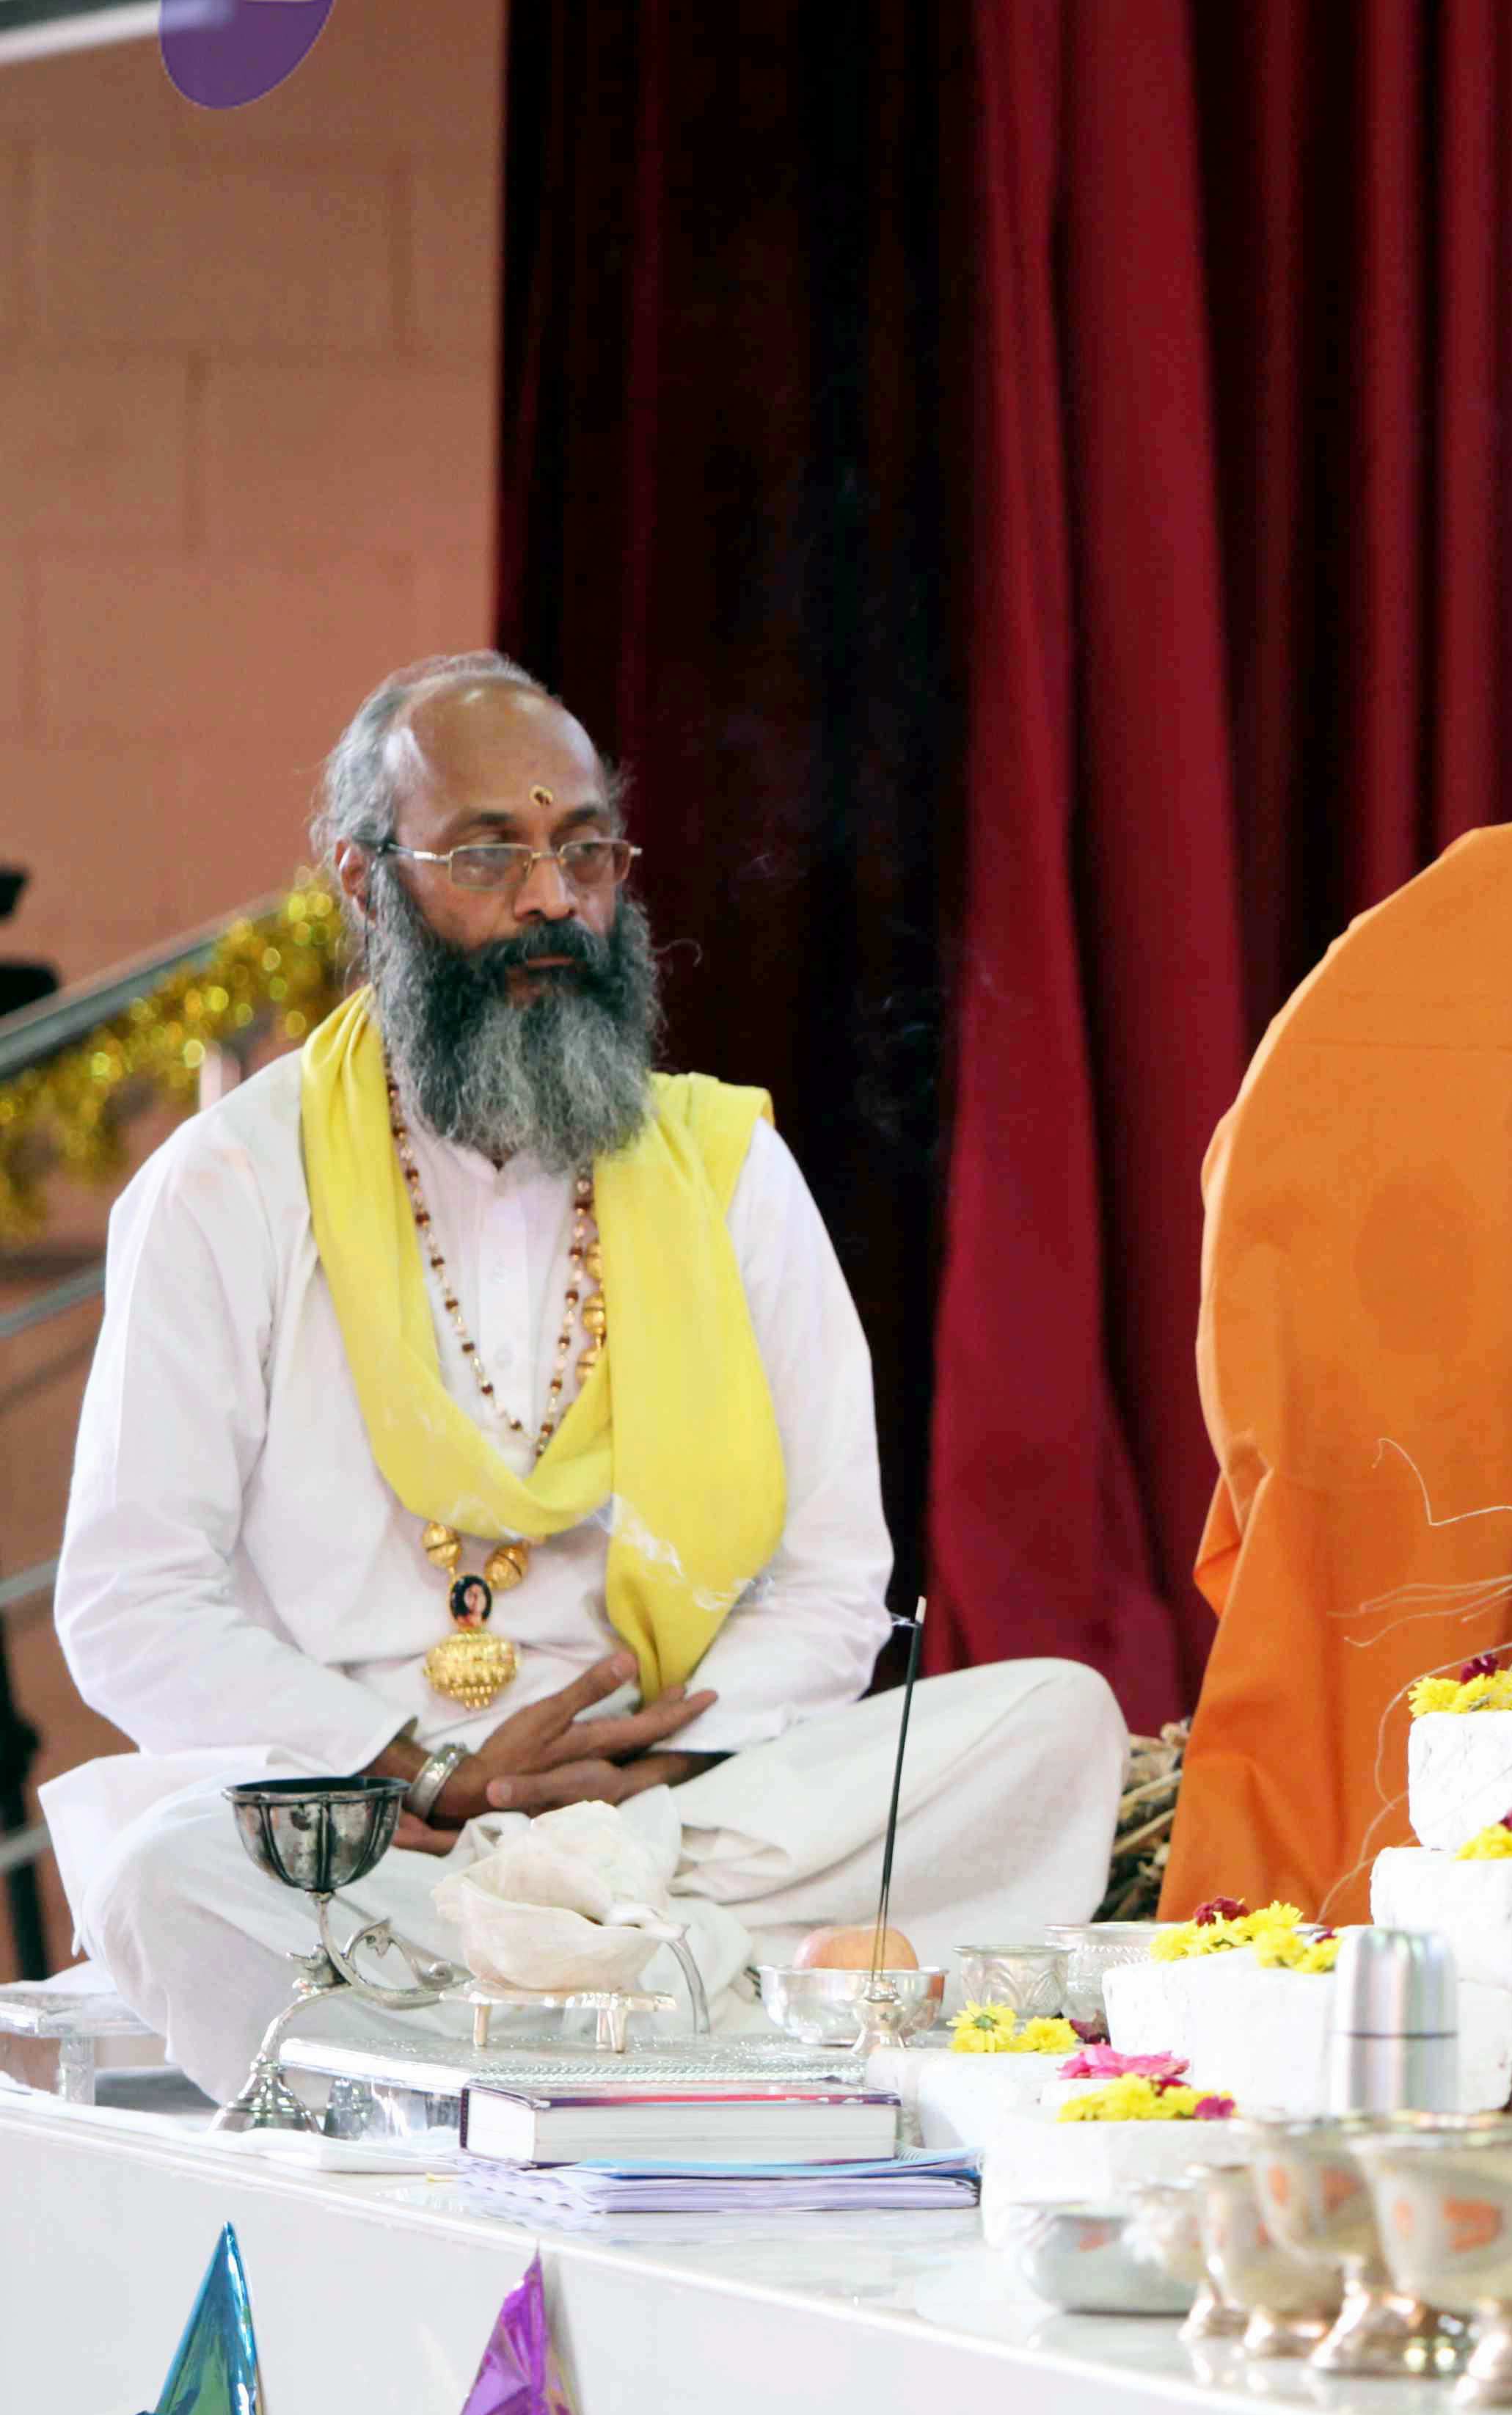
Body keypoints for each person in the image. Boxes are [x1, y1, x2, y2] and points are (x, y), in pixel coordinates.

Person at [43, 654, 1127, 2098]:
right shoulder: (231, 1185)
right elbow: (133, 1601)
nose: (551, 898)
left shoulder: (729, 1170)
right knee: (173, 1871)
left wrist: (633, 1783)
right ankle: (668, 2023)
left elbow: (829, 1579)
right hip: (386, 1831)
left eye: (586, 850)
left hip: (672, 1810)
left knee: (1056, 1726)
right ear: (365, 883)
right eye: (489, 853)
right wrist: (421, 1764)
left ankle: (514, 2031)